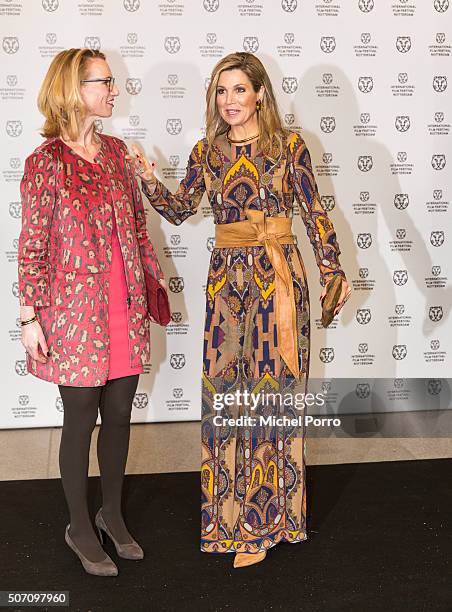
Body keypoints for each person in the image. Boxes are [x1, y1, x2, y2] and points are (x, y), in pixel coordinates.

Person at [128, 52, 351, 568]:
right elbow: (182, 211)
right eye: (221, 92)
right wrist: (147, 178)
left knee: (273, 397)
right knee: (227, 396)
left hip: (278, 282)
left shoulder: (290, 146)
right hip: (227, 285)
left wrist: (333, 271)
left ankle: (268, 522)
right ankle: (227, 519)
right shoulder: (207, 152)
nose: (229, 101)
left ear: (259, 94)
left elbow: (315, 212)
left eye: (239, 90)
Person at [18, 48, 165, 576]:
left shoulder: (120, 154)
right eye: (105, 81)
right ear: (74, 88)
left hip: (124, 310)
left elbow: (137, 228)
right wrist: (28, 316)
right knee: (79, 421)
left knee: (120, 416)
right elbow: (32, 246)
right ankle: (79, 526)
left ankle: (112, 514)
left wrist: (152, 283)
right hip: (76, 316)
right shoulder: (45, 164)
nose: (114, 90)